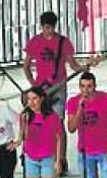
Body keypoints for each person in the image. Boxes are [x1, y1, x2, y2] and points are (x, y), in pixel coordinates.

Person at [22, 10, 100, 168]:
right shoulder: (34, 41)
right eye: (46, 28)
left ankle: (61, 160)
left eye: (51, 28)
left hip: (58, 87)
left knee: (58, 122)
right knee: (37, 121)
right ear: (41, 26)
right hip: (40, 88)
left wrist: (86, 66)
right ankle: (39, 154)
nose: (48, 31)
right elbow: (26, 66)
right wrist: (32, 85)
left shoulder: (63, 42)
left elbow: (73, 65)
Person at [18, 85, 62, 178]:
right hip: (31, 156)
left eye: (34, 99)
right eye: (28, 99)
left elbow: (58, 138)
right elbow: (23, 137)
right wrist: (23, 123)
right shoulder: (25, 116)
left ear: (41, 99)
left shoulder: (51, 116)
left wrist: (58, 160)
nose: (31, 102)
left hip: (47, 157)